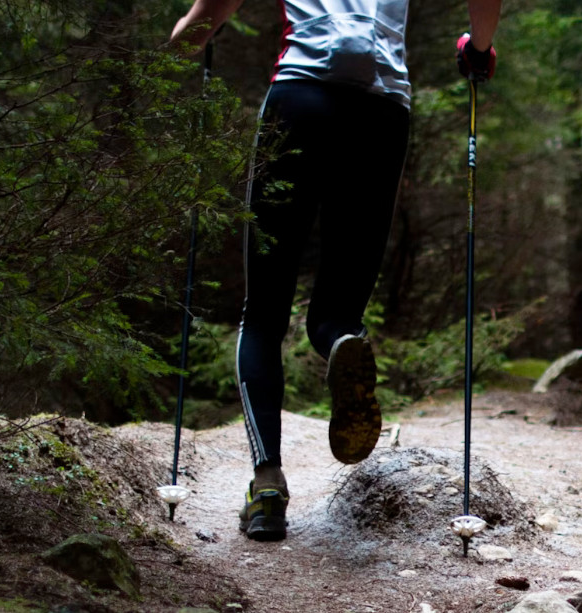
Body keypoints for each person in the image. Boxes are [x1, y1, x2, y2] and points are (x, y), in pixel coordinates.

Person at [171, 0, 501, 541]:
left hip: (300, 100)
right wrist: (479, 49)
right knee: (339, 310)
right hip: (382, 114)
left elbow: (205, 19)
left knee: (264, 312)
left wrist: (191, 34)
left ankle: (267, 485)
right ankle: (343, 341)